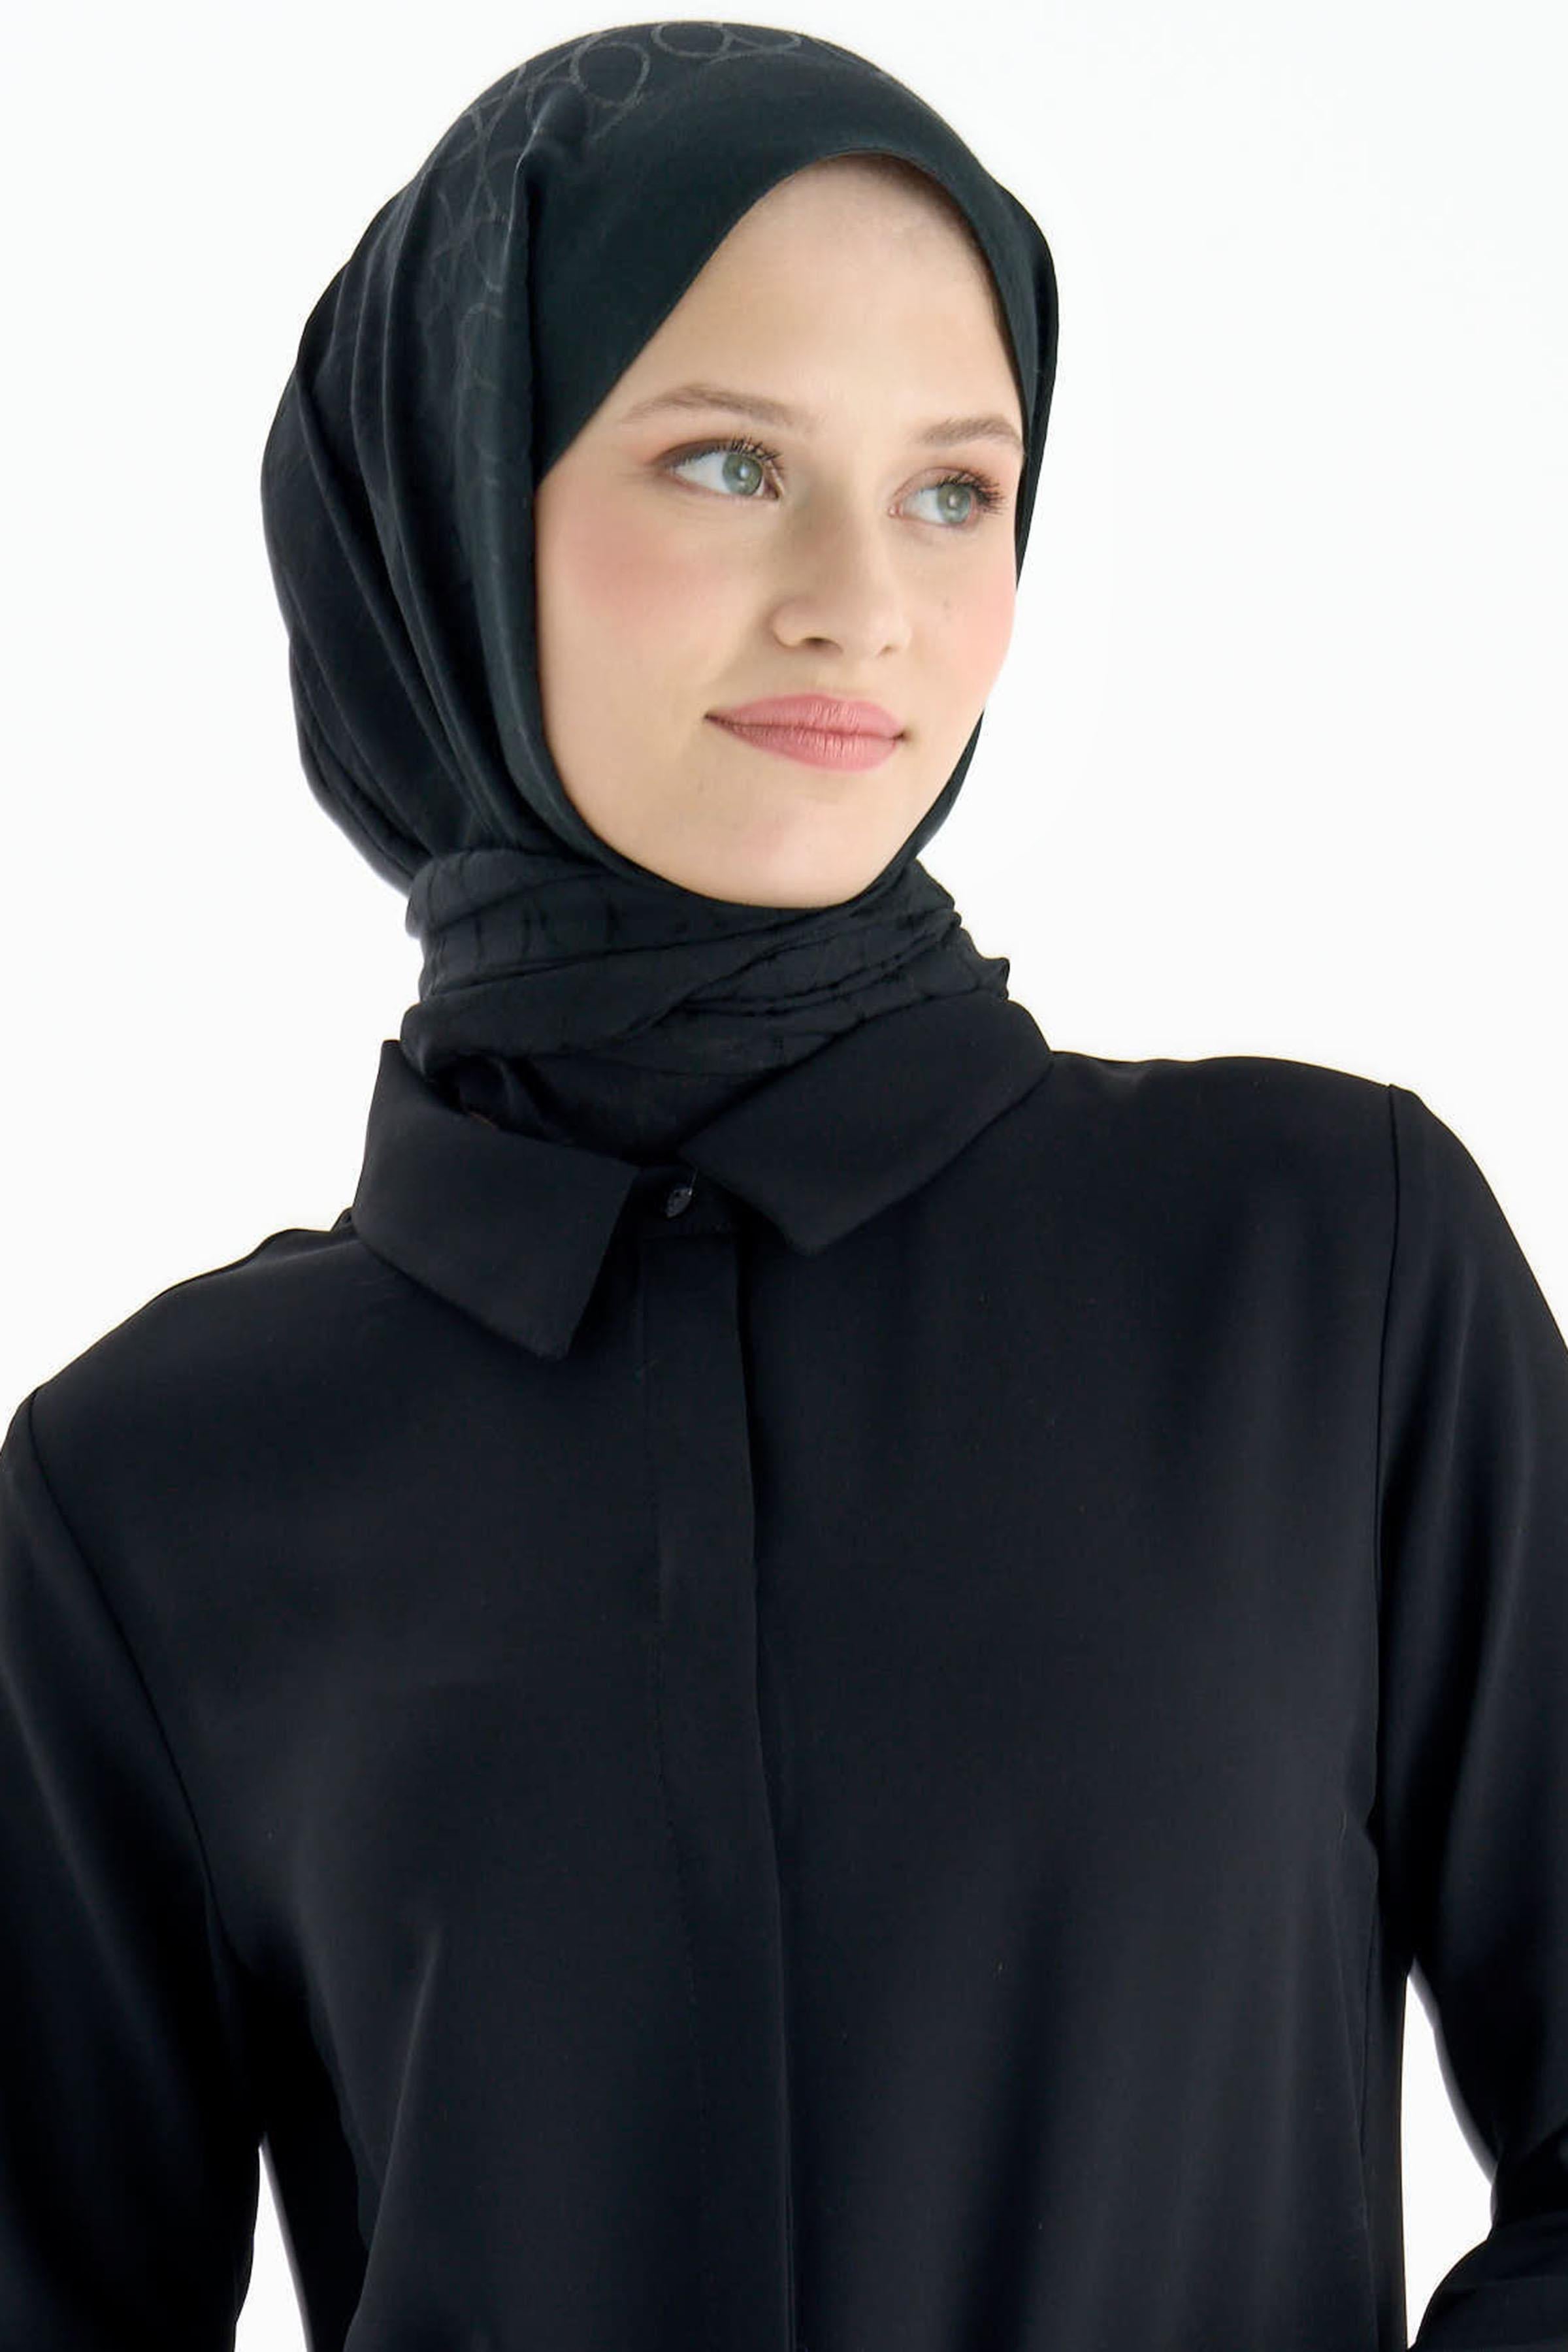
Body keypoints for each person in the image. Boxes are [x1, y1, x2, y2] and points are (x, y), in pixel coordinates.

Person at [1, 21, 1564, 2352]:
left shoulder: (1327, 1271)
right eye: (728, 461)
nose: (865, 602)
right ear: (449, 511)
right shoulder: (153, 1489)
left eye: (955, 489)